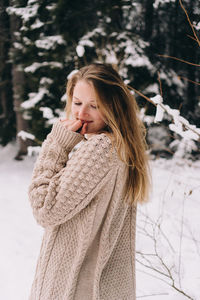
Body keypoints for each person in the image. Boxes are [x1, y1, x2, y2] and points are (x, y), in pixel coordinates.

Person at [28, 63, 151, 300]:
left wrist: (57, 144)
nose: (81, 114)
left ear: (114, 107)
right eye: (77, 103)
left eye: (94, 106)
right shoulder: (122, 148)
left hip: (73, 289)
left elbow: (45, 209)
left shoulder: (100, 148)